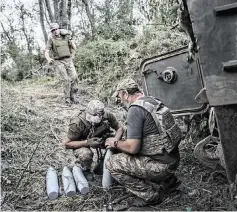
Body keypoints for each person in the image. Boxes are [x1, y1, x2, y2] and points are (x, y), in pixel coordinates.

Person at [105, 79, 182, 208]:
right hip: (173, 159)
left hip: (161, 167)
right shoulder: (153, 101)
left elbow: (133, 148)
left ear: (125, 94)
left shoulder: (134, 110)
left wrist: (115, 143)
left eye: (119, 96)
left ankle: (150, 195)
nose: (120, 100)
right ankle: (169, 181)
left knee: (112, 163)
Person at [62, 100, 124, 174]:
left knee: (120, 145)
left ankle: (103, 167)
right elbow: (66, 144)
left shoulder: (107, 115)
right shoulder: (77, 123)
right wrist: (87, 143)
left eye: (98, 117)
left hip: (101, 138)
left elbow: (120, 128)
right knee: (85, 155)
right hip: (82, 142)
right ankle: (85, 170)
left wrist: (115, 140)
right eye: (93, 116)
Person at [45, 22, 78, 104]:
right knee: (66, 80)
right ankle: (67, 99)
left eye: (57, 29)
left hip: (68, 60)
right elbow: (47, 51)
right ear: (51, 31)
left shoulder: (66, 37)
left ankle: (73, 96)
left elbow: (74, 48)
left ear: (59, 29)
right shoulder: (51, 39)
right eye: (53, 30)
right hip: (59, 62)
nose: (56, 31)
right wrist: (48, 58)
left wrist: (73, 54)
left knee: (74, 77)